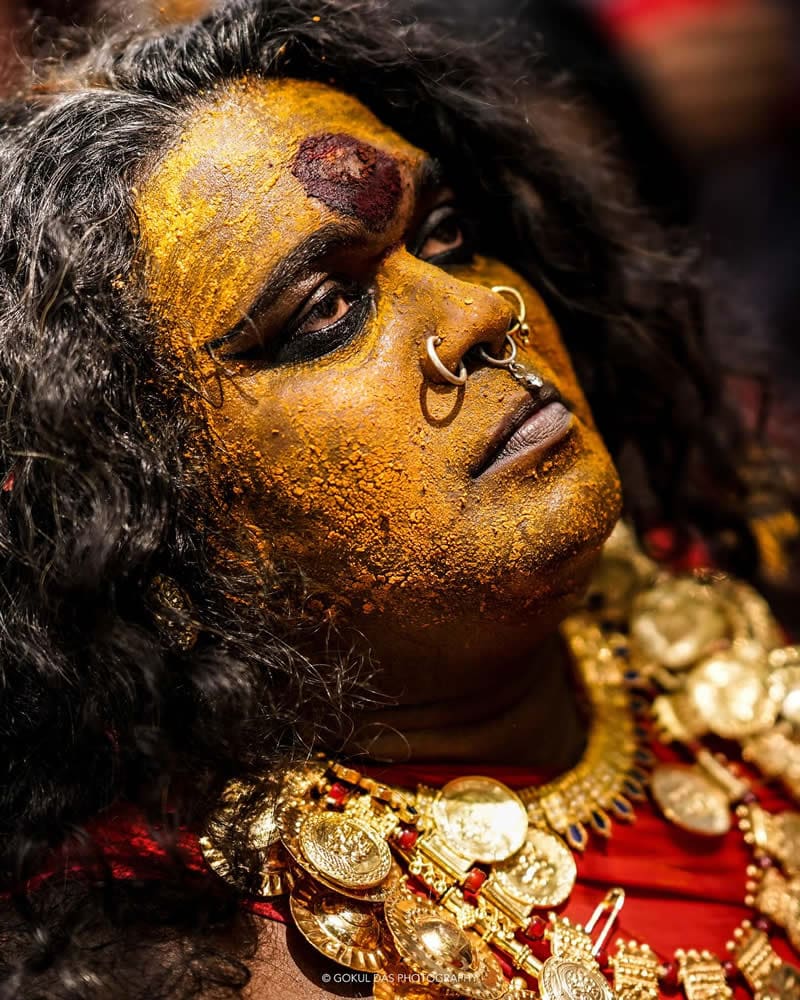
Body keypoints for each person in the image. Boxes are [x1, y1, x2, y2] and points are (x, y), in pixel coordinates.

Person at [0, 1, 797, 997]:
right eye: (323, 312)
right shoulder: (212, 962)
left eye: (448, 235)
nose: (476, 312)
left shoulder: (741, 565)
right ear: (135, 512)